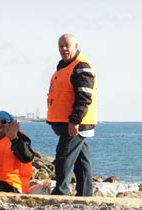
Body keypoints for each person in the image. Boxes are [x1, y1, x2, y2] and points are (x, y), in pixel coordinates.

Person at [46, 33, 98, 196]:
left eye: (67, 45)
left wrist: (74, 121)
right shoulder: (64, 66)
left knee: (64, 156)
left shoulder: (81, 66)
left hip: (76, 122)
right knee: (82, 161)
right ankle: (85, 194)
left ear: (76, 46)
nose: (63, 49)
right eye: (61, 46)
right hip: (70, 122)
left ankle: (61, 192)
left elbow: (84, 97)